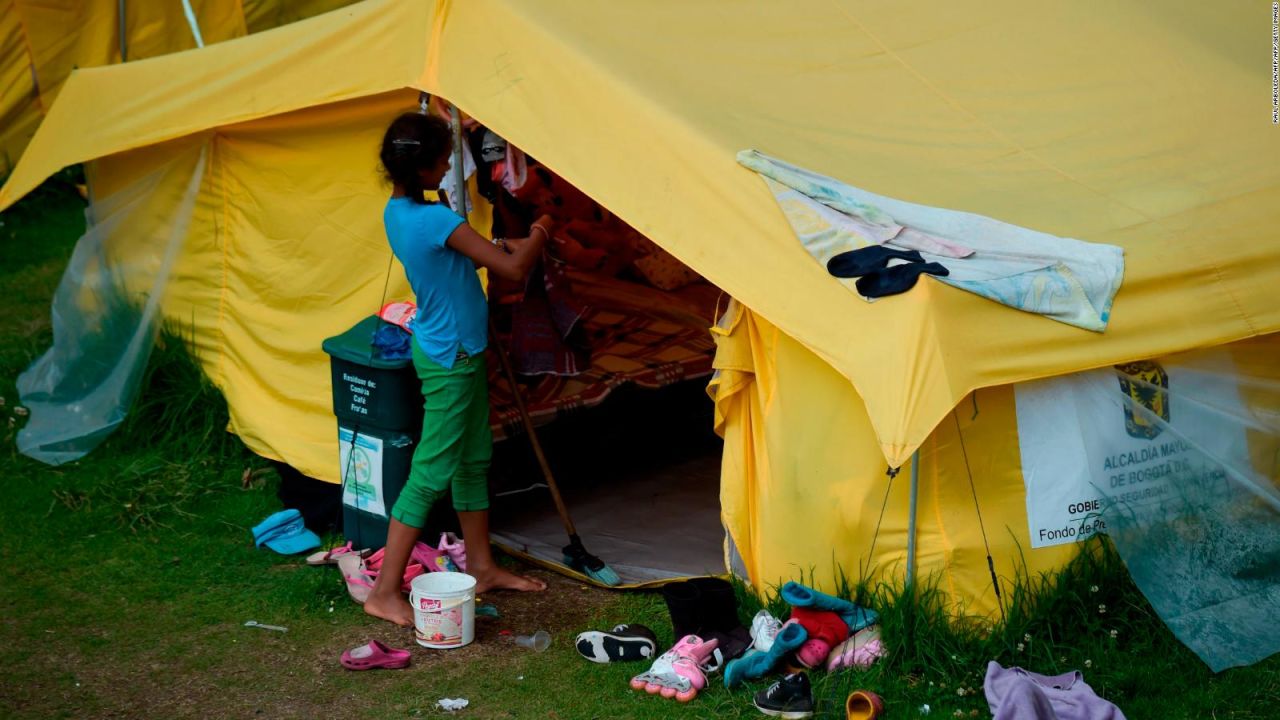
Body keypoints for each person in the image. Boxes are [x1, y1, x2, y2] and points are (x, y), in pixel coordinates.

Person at [365, 110, 549, 627]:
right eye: (444, 159)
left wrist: (486, 248)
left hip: (450, 350)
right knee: (430, 473)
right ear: (424, 169)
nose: (451, 164)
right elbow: (513, 268)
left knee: (472, 461)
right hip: (453, 360)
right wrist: (539, 230)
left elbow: (451, 260)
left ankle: (483, 565)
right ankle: (384, 591)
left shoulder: (400, 213)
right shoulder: (437, 220)